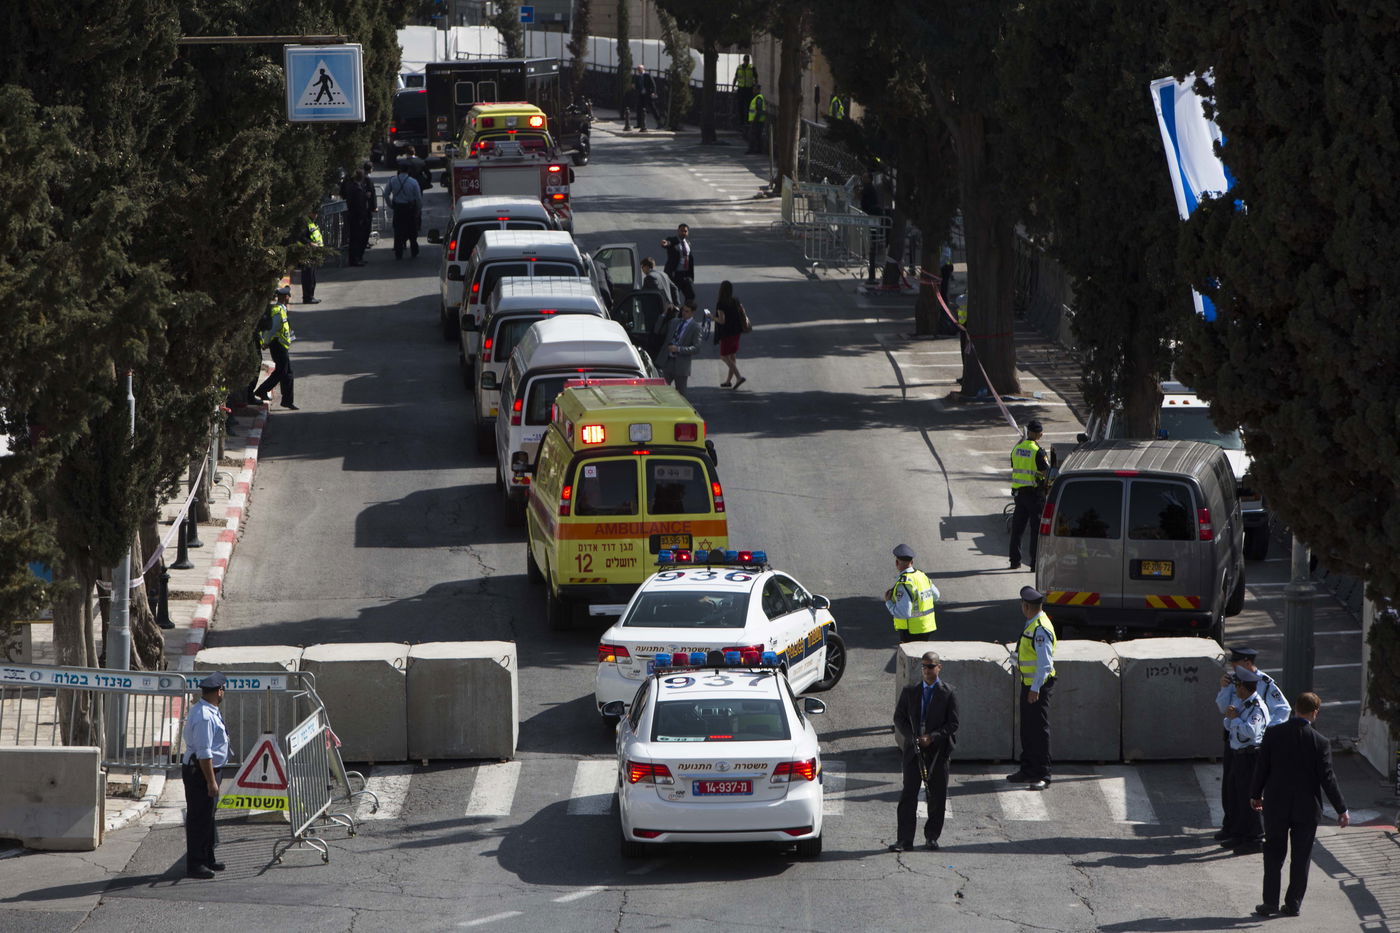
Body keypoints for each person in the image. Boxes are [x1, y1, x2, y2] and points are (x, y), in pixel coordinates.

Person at [1249, 691, 1350, 918]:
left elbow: (1262, 768)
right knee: (1301, 856)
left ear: (1295, 708)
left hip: (1276, 805)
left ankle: (1270, 903)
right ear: (1315, 713)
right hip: (1307, 808)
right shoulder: (1320, 742)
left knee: (1274, 853)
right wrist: (1341, 809)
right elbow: (1328, 779)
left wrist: (1255, 794)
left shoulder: (1273, 734)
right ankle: (1293, 903)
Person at [1214, 646, 1292, 843]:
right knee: (1230, 788)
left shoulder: (1264, 683)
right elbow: (1224, 709)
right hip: (1233, 740)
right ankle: (1232, 826)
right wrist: (1224, 688)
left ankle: (1251, 832)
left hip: (1251, 744)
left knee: (1248, 789)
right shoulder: (1236, 681)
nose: (1233, 669)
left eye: (1237, 664)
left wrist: (1265, 733)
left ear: (1248, 663)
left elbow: (1283, 710)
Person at [891, 651, 958, 852]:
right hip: (915, 750)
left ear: (939, 667)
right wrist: (912, 738)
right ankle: (904, 840)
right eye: (924, 666)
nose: (927, 670)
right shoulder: (910, 691)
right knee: (909, 794)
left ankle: (931, 837)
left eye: (931, 666)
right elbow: (899, 718)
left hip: (938, 751)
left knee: (937, 795)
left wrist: (933, 737)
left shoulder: (948, 693)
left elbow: (953, 724)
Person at [182, 672, 229, 879]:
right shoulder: (204, 716)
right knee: (199, 818)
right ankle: (196, 863)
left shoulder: (210, 710)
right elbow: (204, 753)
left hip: (207, 771)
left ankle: (208, 857)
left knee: (208, 817)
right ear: (219, 691)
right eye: (223, 689)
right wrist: (211, 781)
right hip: (200, 772)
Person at [1008, 586, 1056, 788]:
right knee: (1028, 729)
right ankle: (1027, 769)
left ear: (1026, 606)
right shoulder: (1033, 624)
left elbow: (1046, 664)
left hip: (1037, 686)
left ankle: (1042, 774)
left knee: (1038, 731)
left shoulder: (1040, 629)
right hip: (1028, 684)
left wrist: (1035, 688)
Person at [1220, 668, 1267, 853]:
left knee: (1250, 799)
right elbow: (1229, 723)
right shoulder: (1243, 703)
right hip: (1238, 755)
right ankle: (1240, 834)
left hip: (1250, 757)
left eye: (1237, 685)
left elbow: (1252, 732)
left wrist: (1236, 719)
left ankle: (1255, 838)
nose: (1236, 689)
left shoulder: (1256, 706)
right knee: (1237, 797)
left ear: (1244, 687)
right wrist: (1231, 717)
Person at [1008, 420, 1053, 570]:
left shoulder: (1017, 449)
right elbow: (1047, 472)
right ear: (1037, 433)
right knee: (1036, 530)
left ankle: (1014, 561)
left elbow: (1015, 466)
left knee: (1017, 529)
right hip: (1035, 495)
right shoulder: (1038, 451)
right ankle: (1034, 564)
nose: (1042, 434)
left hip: (1020, 495)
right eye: (1041, 431)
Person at [883, 544, 939, 643]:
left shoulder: (904, 584)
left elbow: (903, 613)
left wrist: (889, 603)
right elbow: (936, 596)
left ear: (897, 563)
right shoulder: (922, 576)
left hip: (911, 631)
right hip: (927, 626)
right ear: (912, 562)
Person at [254, 286, 298, 410]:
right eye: (288, 295)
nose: (289, 297)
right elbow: (271, 329)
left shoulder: (281, 309)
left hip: (280, 345)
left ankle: (286, 400)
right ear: (285, 297)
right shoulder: (278, 311)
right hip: (278, 345)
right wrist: (266, 342)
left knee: (285, 372)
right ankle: (265, 392)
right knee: (284, 372)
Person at [657, 302, 700, 397]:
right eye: (683, 310)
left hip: (681, 365)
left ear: (693, 313)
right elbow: (658, 330)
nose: (684, 313)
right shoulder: (674, 322)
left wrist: (679, 349)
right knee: (661, 391)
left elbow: (696, 348)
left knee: (681, 395)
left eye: (687, 311)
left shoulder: (695, 327)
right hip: (667, 362)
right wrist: (665, 313)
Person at [713, 280, 747, 389]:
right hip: (737, 331)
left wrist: (711, 317)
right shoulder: (735, 300)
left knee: (724, 357)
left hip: (727, 333)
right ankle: (728, 381)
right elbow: (742, 311)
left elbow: (722, 320)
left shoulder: (721, 303)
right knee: (732, 356)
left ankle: (738, 377)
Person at [386, 163, 422, 260]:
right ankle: (414, 251)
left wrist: (390, 205)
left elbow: (386, 194)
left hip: (398, 208)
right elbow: (418, 198)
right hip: (410, 208)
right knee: (412, 231)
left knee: (398, 231)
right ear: (408, 171)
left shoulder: (393, 180)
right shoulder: (413, 182)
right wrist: (418, 210)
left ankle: (399, 252)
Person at [340, 168, 372, 266]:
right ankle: (355, 259)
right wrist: (366, 197)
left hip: (354, 216)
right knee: (356, 239)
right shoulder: (357, 188)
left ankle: (356, 258)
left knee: (356, 239)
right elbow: (359, 204)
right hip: (357, 217)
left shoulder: (353, 186)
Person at [661, 223, 696, 302]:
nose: (683, 233)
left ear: (688, 232)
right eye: (681, 231)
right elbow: (668, 243)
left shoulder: (688, 243)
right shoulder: (674, 240)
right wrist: (666, 243)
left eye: (685, 231)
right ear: (678, 231)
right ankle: (671, 313)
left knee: (690, 296)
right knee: (673, 299)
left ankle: (684, 313)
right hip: (675, 275)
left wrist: (691, 276)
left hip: (685, 275)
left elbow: (690, 259)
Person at [298, 207, 323, 304]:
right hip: (306, 252)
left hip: (312, 253)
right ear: (309, 212)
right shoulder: (305, 223)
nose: (316, 215)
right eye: (314, 213)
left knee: (312, 277)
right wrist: (310, 243)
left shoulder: (311, 222)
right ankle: (307, 297)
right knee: (308, 276)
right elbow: (301, 237)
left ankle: (311, 296)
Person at [633, 66, 661, 131]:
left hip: (648, 94)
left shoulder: (647, 75)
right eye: (638, 70)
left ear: (643, 69)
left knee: (652, 108)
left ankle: (659, 122)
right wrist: (635, 87)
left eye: (640, 69)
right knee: (639, 108)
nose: (639, 71)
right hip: (641, 95)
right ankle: (639, 124)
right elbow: (637, 85)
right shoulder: (638, 77)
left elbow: (653, 84)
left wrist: (653, 92)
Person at [732, 54, 757, 126]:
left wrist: (755, 87)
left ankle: (748, 121)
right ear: (743, 60)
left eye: (747, 60)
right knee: (740, 106)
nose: (746, 62)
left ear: (749, 61)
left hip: (749, 89)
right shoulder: (739, 68)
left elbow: (756, 78)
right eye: (745, 60)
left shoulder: (752, 68)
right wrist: (733, 86)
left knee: (749, 106)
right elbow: (735, 78)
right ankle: (742, 121)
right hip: (741, 89)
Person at [746, 83, 767, 154]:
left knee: (753, 135)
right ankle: (759, 150)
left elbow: (759, 110)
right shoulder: (758, 98)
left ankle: (752, 150)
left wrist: (755, 120)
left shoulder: (758, 98)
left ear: (758, 90)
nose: (753, 90)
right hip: (758, 120)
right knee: (758, 135)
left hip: (757, 120)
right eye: (753, 89)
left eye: (755, 89)